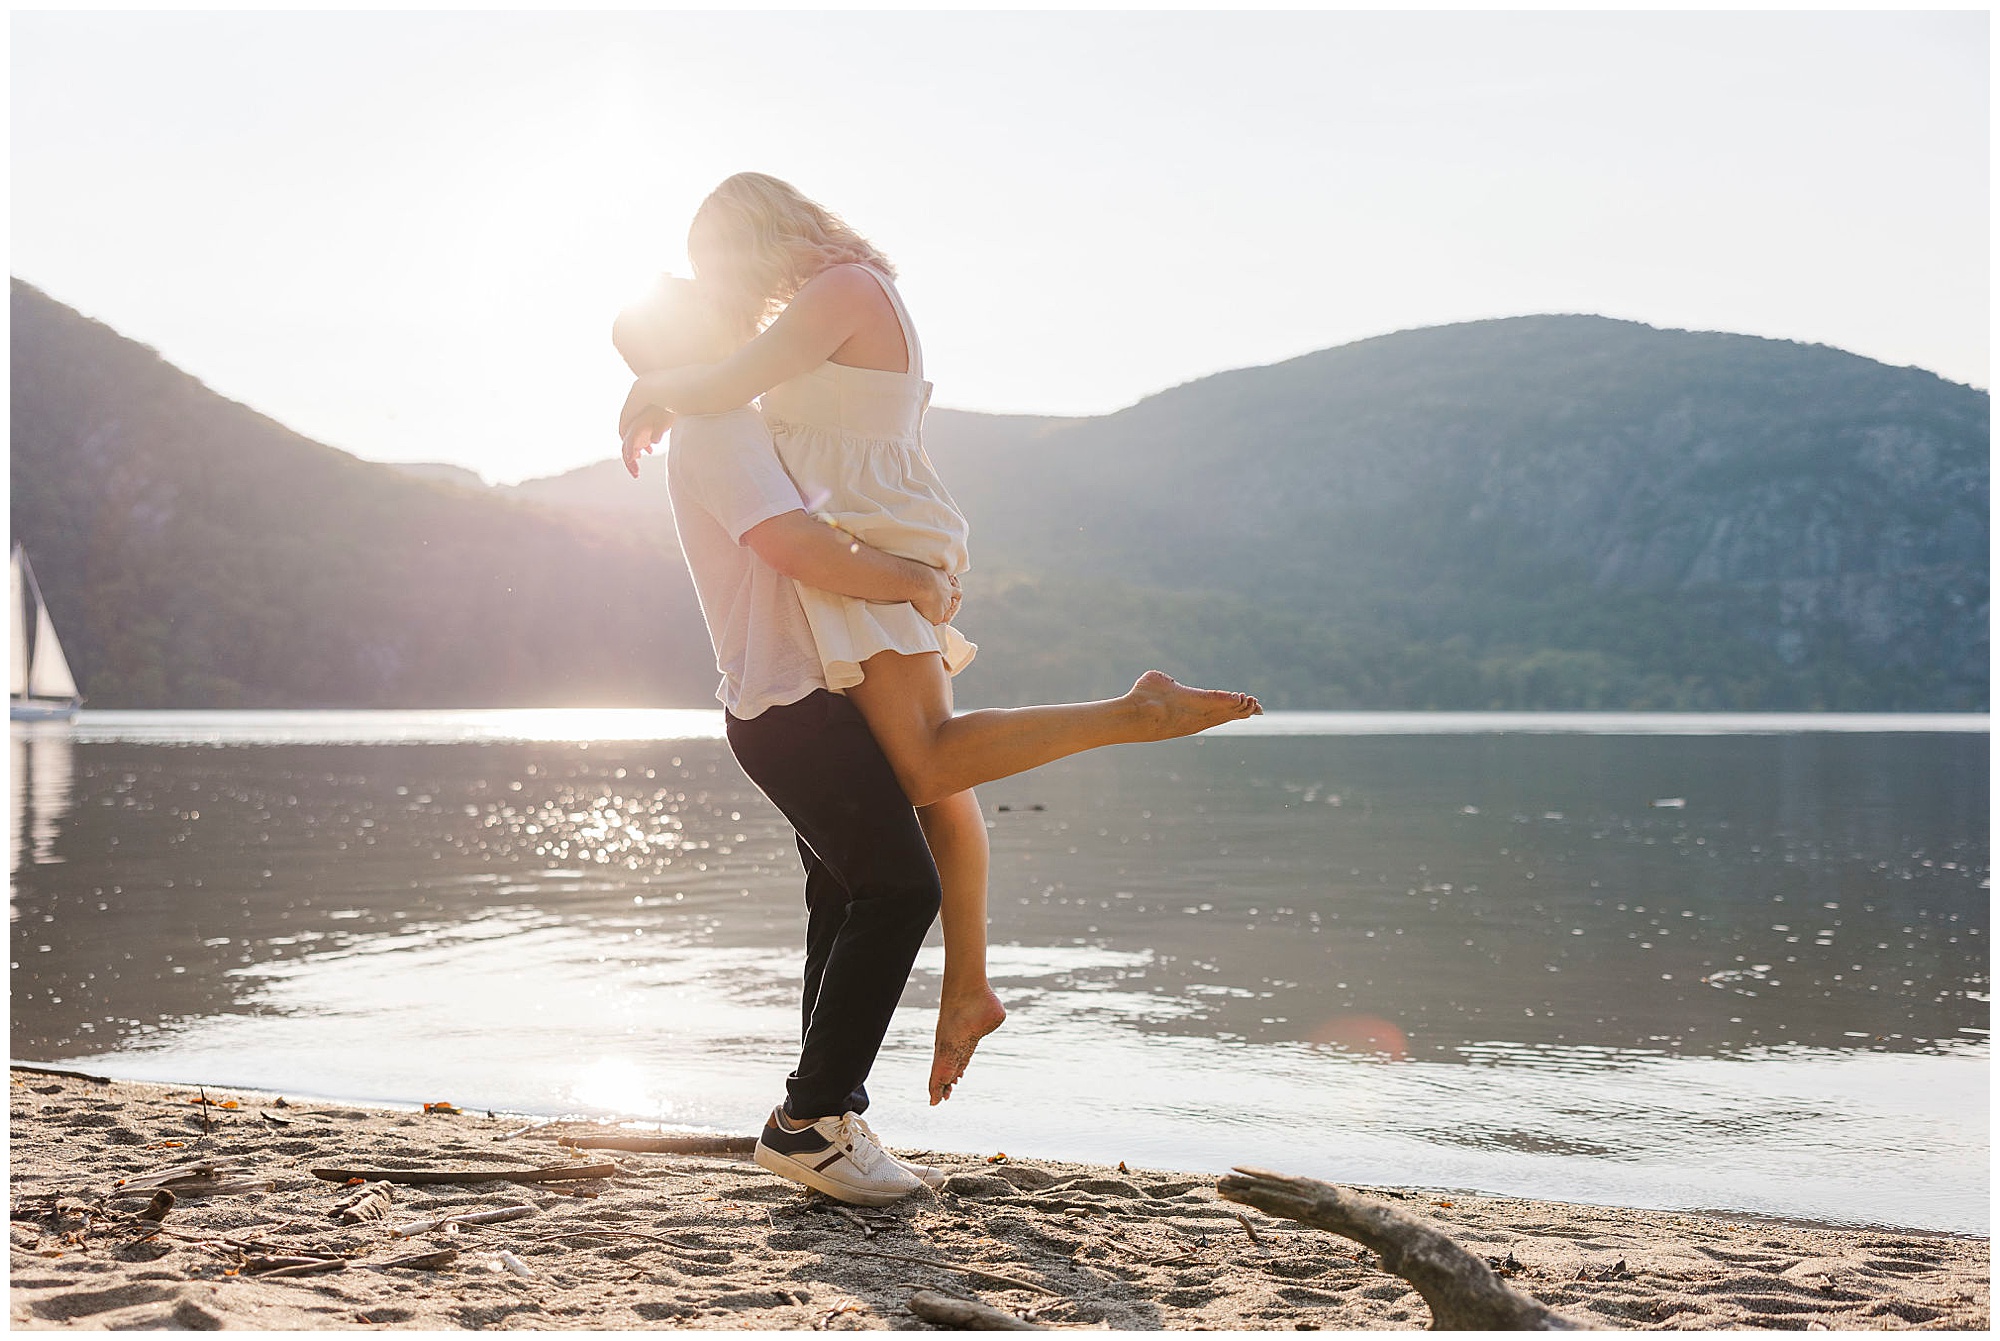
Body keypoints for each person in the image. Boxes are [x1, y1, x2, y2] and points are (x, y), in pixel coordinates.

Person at [618, 173, 1263, 1113]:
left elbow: (724, 385)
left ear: (753, 238)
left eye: (717, 265)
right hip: (871, 532)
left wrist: (653, 385)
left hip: (876, 530)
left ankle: (1133, 715)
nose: (720, 292)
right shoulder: (821, 308)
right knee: (925, 787)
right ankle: (943, 1007)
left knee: (921, 769)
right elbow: (743, 411)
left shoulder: (841, 289)